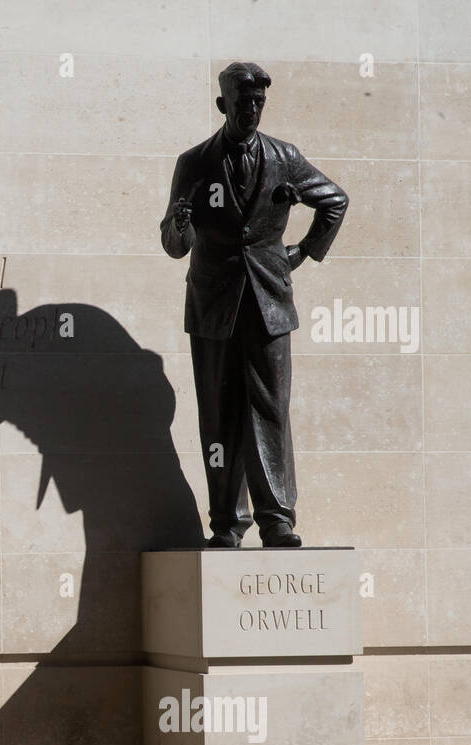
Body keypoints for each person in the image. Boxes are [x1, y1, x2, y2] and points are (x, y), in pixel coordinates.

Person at [159, 61, 348, 547]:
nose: (252, 110)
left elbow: (335, 201)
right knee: (218, 415)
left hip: (268, 301)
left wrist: (302, 252)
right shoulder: (194, 163)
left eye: (259, 102)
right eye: (243, 102)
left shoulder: (284, 157)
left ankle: (277, 518)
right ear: (223, 105)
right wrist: (180, 224)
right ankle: (226, 522)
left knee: (270, 410)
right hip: (213, 304)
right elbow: (174, 244)